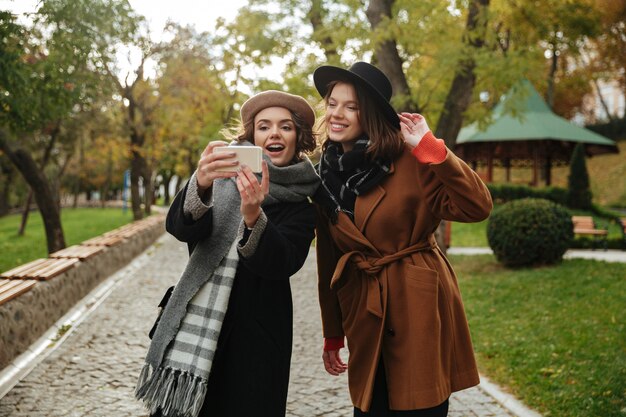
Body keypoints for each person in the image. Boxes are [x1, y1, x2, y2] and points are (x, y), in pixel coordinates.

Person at [312, 61, 493, 416]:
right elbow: (328, 260)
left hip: (417, 303)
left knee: (419, 404)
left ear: (371, 116)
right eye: (333, 103)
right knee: (370, 404)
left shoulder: (410, 158)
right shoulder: (324, 174)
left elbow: (477, 206)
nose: (337, 114)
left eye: (352, 107)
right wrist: (333, 332)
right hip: (363, 306)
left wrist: (434, 150)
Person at [136, 90, 321, 417]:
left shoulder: (301, 206)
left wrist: (254, 217)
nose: (274, 133)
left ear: (298, 138)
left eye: (285, 127)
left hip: (256, 343)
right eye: (264, 126)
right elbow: (180, 228)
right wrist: (201, 182)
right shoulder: (222, 181)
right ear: (252, 136)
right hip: (195, 329)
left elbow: (283, 263)